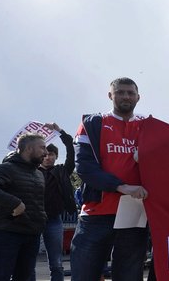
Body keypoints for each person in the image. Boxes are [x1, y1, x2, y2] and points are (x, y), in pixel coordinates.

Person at [70, 77, 149, 281]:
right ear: (110, 95)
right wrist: (122, 187)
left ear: (138, 97)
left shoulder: (149, 126)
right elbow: (84, 168)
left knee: (129, 276)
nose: (126, 96)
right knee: (84, 274)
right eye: (120, 92)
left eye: (130, 93)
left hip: (135, 214)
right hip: (97, 212)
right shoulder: (92, 123)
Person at [0, 133, 48, 281]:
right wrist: (15, 203)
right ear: (29, 148)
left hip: (32, 234)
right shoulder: (6, 169)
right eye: (42, 147)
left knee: (25, 277)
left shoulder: (39, 174)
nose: (46, 152)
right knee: (0, 276)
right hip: (7, 234)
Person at [37, 123, 77, 281]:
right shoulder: (31, 171)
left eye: (51, 154)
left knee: (56, 263)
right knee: (25, 263)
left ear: (55, 156)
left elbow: (71, 149)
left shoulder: (62, 170)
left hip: (54, 219)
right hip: (32, 220)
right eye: (45, 154)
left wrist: (59, 131)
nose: (48, 157)